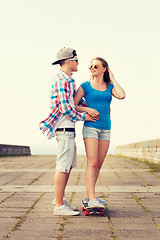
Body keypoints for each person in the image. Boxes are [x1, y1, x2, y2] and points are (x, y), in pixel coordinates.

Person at [39, 47, 98, 216]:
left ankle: (61, 199)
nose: (78, 63)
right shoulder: (61, 80)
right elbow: (66, 109)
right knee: (63, 167)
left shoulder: (69, 80)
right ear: (68, 62)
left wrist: (91, 109)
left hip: (68, 129)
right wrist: (85, 117)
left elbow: (76, 102)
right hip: (64, 129)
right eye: (76, 60)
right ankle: (58, 206)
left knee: (68, 166)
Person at [74, 57, 125, 208]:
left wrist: (113, 78)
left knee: (99, 164)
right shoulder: (85, 86)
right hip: (91, 127)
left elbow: (121, 95)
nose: (92, 67)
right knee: (92, 162)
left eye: (96, 65)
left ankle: (88, 196)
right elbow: (74, 105)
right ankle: (92, 198)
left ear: (104, 69)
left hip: (106, 128)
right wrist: (87, 109)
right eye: (90, 65)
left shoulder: (109, 87)